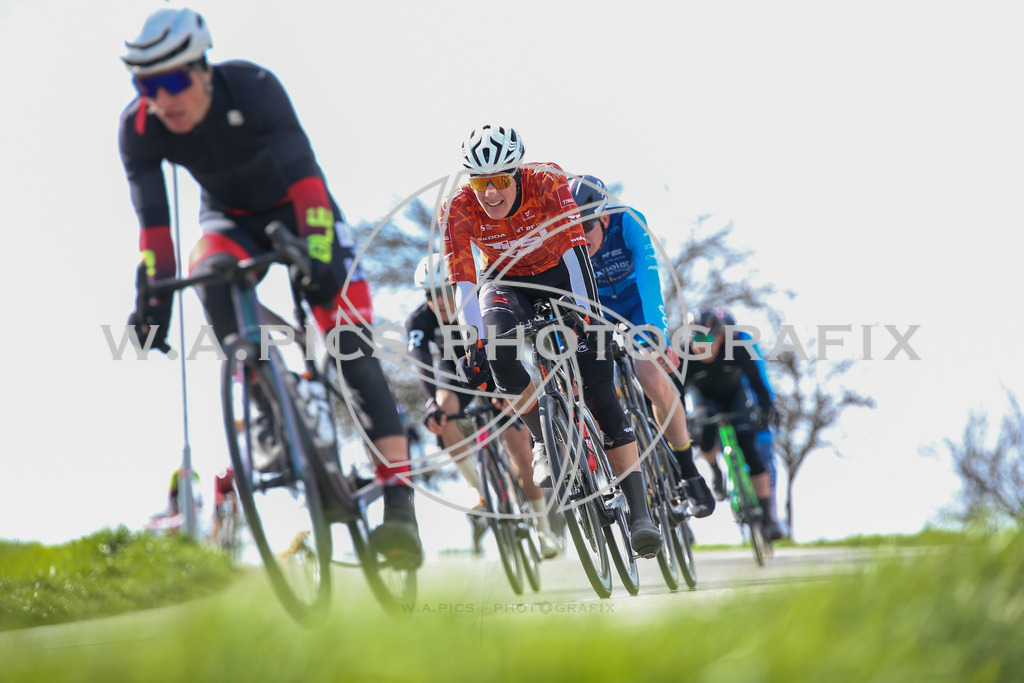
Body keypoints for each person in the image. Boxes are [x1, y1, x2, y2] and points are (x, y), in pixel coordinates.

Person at [118, 7, 422, 568]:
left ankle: (400, 507)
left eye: (173, 81)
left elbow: (307, 183)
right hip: (229, 221)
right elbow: (155, 229)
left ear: (202, 68)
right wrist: (155, 300)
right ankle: (267, 396)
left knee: (351, 349)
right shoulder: (139, 129)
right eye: (146, 86)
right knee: (209, 274)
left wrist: (319, 257)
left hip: (303, 215)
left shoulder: (255, 89)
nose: (162, 99)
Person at [439, 125, 662, 558]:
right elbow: (463, 278)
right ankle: (543, 438)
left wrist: (585, 312)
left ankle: (640, 515)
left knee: (600, 393)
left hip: (562, 276)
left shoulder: (547, 181)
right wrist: (472, 342)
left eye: (499, 180)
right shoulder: (460, 207)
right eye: (481, 183)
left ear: (517, 173)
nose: (490, 193)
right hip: (507, 282)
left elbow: (577, 253)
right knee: (498, 353)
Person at [571, 175, 715, 519]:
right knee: (591, 386)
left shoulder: (628, 221)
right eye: (574, 230)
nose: (582, 237)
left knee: (649, 375)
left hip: (637, 303)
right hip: (599, 311)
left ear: (603, 218)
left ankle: (689, 471)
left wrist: (657, 335)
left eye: (587, 226)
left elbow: (650, 280)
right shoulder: (574, 242)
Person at [407, 255, 560, 558]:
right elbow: (422, 364)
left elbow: (506, 344)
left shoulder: (479, 300)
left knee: (521, 450)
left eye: (446, 291)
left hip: (491, 370)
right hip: (454, 374)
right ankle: (478, 490)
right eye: (431, 295)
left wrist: (505, 389)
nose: (440, 301)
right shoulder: (419, 321)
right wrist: (431, 405)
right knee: (441, 411)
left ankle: (543, 528)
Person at [673, 308, 784, 541]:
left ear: (721, 337)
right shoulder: (684, 356)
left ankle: (768, 518)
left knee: (750, 449)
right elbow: (678, 396)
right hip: (704, 399)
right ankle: (715, 470)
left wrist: (767, 410)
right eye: (696, 339)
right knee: (703, 434)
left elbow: (758, 384)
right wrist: (683, 423)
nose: (701, 346)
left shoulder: (737, 348)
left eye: (708, 339)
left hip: (734, 397)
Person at [209, 466, 237, 547]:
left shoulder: (231, 476)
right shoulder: (224, 473)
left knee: (227, 521)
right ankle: (213, 540)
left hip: (226, 497)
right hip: (220, 499)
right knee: (217, 522)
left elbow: (234, 492)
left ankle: (228, 538)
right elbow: (218, 486)